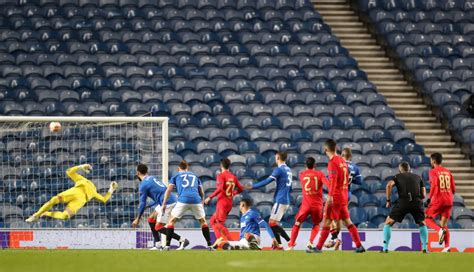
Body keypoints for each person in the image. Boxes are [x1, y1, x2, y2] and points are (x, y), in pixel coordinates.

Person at [311, 140, 365, 253]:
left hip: (335, 196)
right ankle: (359, 246)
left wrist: (330, 196)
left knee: (326, 222)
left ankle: (318, 247)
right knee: (347, 221)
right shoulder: (342, 161)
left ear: (326, 149)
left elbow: (333, 180)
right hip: (344, 196)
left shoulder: (333, 162)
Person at [26, 164, 118, 222]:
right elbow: (69, 172)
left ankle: (46, 213)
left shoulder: (94, 192)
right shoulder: (83, 180)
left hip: (81, 201)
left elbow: (104, 200)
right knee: (54, 199)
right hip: (76, 191)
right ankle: (35, 215)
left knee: (65, 216)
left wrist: (111, 189)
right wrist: (80, 167)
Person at [131, 164, 188, 250]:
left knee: (158, 227)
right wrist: (149, 205)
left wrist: (138, 219)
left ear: (138, 173)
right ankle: (157, 244)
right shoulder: (152, 178)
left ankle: (182, 240)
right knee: (151, 219)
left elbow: (142, 203)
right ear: (147, 172)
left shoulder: (143, 185)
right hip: (167, 200)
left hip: (168, 203)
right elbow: (160, 193)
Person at [161, 160, 212, 250]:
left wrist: (164, 203)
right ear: (187, 168)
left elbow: (168, 190)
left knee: (171, 221)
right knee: (203, 222)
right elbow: (202, 192)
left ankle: (167, 246)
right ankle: (209, 245)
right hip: (196, 200)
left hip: (183, 200)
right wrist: (202, 202)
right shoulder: (195, 176)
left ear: (178, 169)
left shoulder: (176, 176)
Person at [245, 151, 292, 249]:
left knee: (271, 223)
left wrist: (253, 186)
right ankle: (279, 246)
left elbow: (267, 181)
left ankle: (290, 241)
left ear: (278, 157)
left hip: (281, 199)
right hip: (285, 199)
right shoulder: (288, 169)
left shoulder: (279, 170)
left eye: (276, 157)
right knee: (274, 223)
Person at [381, 162, 429, 253]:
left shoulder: (397, 176)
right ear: (410, 169)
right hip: (417, 202)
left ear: (400, 170)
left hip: (403, 201)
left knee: (388, 223)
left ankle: (385, 248)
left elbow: (389, 185)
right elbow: (423, 194)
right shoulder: (418, 177)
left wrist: (388, 200)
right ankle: (425, 249)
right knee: (422, 223)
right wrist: (419, 199)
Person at [325, 147, 363, 250]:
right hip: (348, 194)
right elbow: (360, 181)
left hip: (339, 193)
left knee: (329, 216)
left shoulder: (340, 164)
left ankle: (333, 239)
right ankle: (336, 239)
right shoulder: (355, 167)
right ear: (350, 156)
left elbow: (331, 179)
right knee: (341, 218)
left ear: (342, 155)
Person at [287, 157, 328, 251]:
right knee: (317, 223)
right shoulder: (320, 174)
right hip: (317, 205)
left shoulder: (302, 174)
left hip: (305, 205)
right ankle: (310, 241)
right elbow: (328, 184)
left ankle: (291, 244)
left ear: (305, 165)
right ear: (315, 165)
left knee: (297, 223)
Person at [204, 158, 244, 248]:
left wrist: (209, 197)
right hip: (229, 202)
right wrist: (233, 193)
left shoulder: (221, 176)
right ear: (229, 166)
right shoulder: (233, 177)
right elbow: (241, 188)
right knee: (212, 221)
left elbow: (220, 188)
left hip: (222, 202)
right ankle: (219, 239)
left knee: (219, 224)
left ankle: (233, 243)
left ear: (221, 166)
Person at [425, 153, 456, 252]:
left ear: (433, 161)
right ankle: (447, 247)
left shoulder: (433, 171)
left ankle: (439, 231)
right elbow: (454, 188)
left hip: (439, 199)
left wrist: (429, 199)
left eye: (431, 160)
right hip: (449, 200)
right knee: (443, 224)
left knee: (425, 218)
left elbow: (434, 185)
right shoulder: (448, 172)